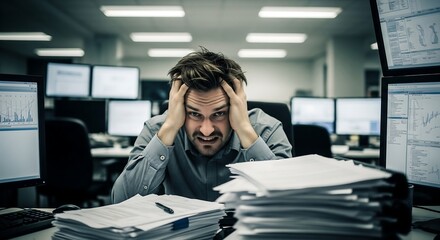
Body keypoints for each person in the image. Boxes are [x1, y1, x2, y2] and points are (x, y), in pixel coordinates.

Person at [111, 47, 292, 203]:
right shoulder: (157, 130)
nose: (207, 130)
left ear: (236, 105)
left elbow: (289, 204)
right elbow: (120, 203)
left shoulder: (266, 130)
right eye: (194, 114)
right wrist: (170, 128)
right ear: (180, 107)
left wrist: (245, 130)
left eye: (219, 113)